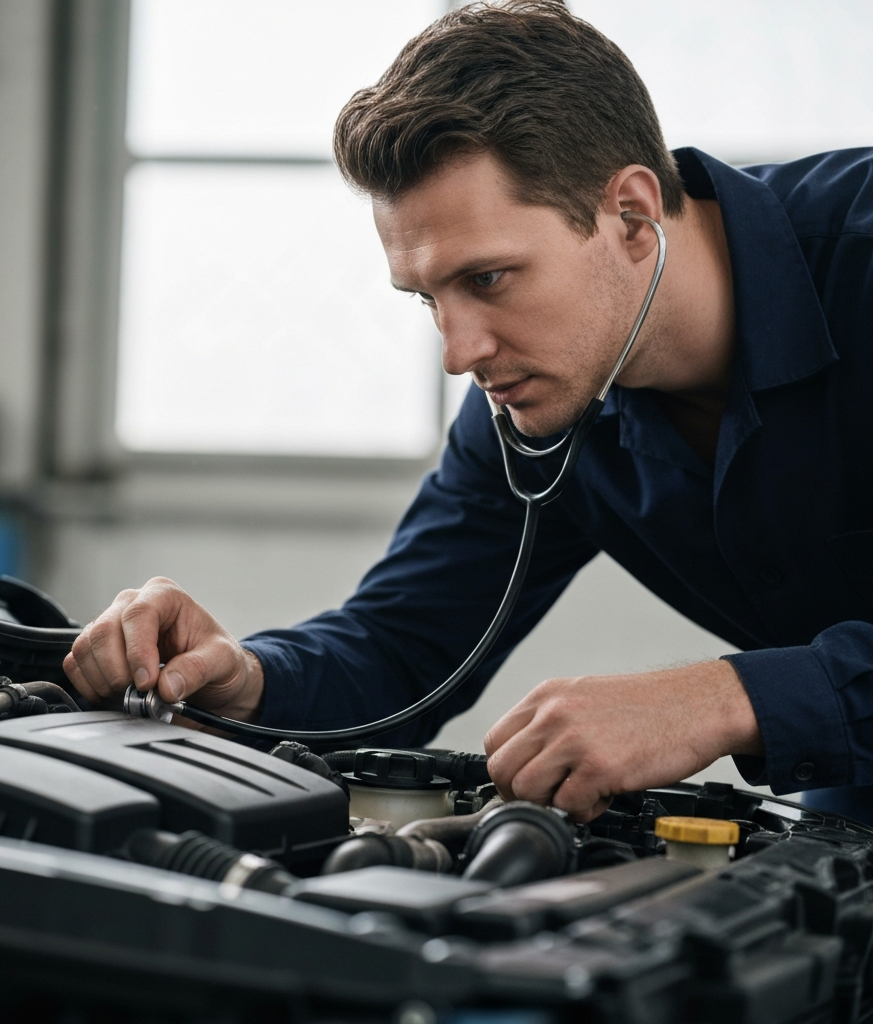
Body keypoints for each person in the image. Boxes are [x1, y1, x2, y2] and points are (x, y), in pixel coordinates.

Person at [64, 1, 873, 824]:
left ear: (631, 215)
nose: (459, 351)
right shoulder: (535, 402)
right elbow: (403, 647)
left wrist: (717, 697)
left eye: (488, 279)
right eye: (428, 298)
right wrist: (241, 678)